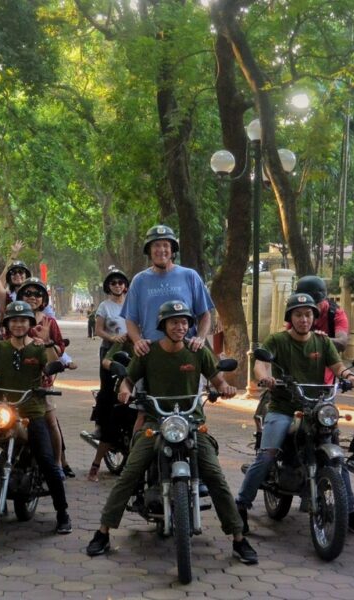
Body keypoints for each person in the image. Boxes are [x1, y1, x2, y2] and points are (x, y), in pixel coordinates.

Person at [86, 301, 258, 565]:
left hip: (192, 422)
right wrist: (125, 391)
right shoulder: (148, 352)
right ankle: (103, 531)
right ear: (163, 325)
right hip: (155, 423)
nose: (180, 327)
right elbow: (128, 380)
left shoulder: (197, 351)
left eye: (184, 322)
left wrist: (225, 388)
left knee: (215, 476)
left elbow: (217, 380)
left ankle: (238, 537)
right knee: (130, 473)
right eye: (174, 322)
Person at [235, 293, 354, 536]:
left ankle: (348, 512)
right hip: (283, 408)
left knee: (338, 459)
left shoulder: (322, 342)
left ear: (313, 318)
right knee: (267, 455)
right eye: (298, 315)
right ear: (290, 317)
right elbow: (261, 364)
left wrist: (349, 376)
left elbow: (337, 366)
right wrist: (265, 378)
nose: (304, 319)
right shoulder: (277, 340)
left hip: (316, 407)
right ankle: (241, 505)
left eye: (308, 315)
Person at [0, 301, 72, 534]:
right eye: (14, 321)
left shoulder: (38, 347)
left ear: (29, 323)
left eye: (23, 321)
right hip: (3, 409)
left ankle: (62, 513)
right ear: (7, 324)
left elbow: (52, 364)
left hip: (32, 412)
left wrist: (48, 341)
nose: (19, 324)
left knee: (47, 460)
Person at [293, 275, 354, 533]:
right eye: (301, 311)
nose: (307, 315)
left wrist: (319, 338)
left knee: (332, 445)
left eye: (313, 306)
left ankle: (349, 511)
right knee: (289, 439)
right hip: (298, 387)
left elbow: (344, 341)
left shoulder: (336, 313)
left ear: (322, 300)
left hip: (326, 388)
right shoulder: (297, 312)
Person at [121, 225, 213, 357]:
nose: (161, 250)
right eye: (156, 245)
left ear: (172, 250)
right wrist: (138, 341)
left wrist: (200, 337)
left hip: (187, 353)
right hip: (151, 353)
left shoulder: (190, 276)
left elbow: (205, 314)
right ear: (149, 250)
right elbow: (130, 319)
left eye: (166, 245)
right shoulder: (139, 281)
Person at [16, 277, 75, 478]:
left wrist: (47, 341)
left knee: (50, 422)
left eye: (37, 294)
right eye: (28, 293)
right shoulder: (13, 319)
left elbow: (56, 356)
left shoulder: (50, 322)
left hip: (42, 384)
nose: (32, 297)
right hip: (15, 383)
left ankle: (57, 464)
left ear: (43, 299)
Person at [87, 268, 129, 482]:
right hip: (110, 351)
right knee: (108, 391)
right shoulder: (105, 306)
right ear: (108, 286)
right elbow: (99, 330)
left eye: (121, 282)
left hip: (131, 349)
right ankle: (101, 424)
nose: (117, 286)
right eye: (113, 283)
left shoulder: (132, 303)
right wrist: (114, 339)